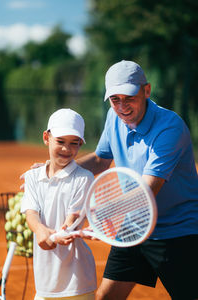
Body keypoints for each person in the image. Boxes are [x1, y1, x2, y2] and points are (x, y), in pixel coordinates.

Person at [75, 60, 198, 300]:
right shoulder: (113, 116)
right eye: (115, 99)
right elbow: (101, 159)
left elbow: (147, 190)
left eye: (129, 97)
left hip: (177, 229)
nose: (122, 106)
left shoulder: (170, 127)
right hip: (134, 225)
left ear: (147, 90)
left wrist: (100, 216)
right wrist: (59, 170)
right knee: (106, 298)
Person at [21, 108, 97, 300]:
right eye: (60, 142)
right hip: (44, 283)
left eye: (74, 143)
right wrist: (39, 230)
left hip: (77, 285)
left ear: (81, 143)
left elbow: (71, 222)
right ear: (46, 138)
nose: (66, 149)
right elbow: (31, 212)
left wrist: (63, 232)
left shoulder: (84, 178)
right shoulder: (32, 177)